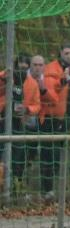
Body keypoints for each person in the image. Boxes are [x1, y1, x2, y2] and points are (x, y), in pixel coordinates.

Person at [40, 43, 70, 201]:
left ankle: (54, 190)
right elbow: (50, 92)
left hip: (66, 119)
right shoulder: (52, 69)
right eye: (66, 53)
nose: (69, 56)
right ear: (60, 53)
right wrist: (62, 80)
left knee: (57, 155)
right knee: (49, 155)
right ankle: (47, 190)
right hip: (52, 119)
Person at [0, 54, 41, 194]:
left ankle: (15, 187)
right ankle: (3, 187)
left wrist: (27, 109)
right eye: (19, 66)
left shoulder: (32, 83)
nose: (22, 70)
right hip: (2, 120)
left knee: (19, 155)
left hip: (20, 122)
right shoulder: (4, 78)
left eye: (25, 68)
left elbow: (37, 105)